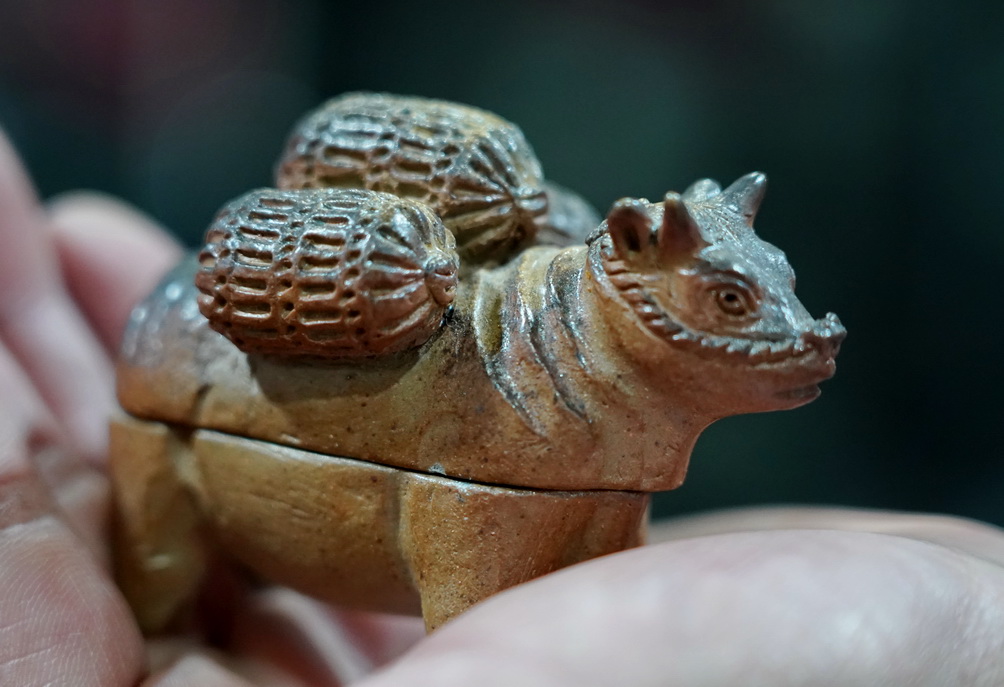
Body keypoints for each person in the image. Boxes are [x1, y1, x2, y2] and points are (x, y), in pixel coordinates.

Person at [1, 127, 1002, 687]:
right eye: (731, 305)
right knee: (164, 592)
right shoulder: (524, 390)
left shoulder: (584, 417)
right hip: (190, 401)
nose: (785, 335)